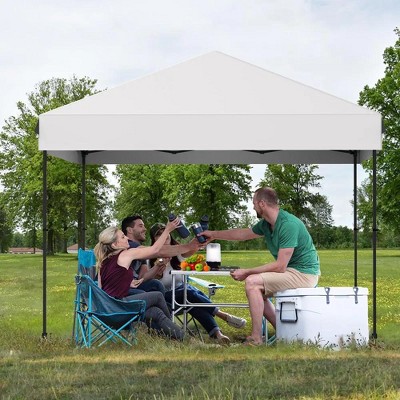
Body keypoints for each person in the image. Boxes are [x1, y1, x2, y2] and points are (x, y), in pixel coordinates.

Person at [201, 187, 321, 346]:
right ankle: (284, 332)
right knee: (257, 289)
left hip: (304, 274)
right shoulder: (266, 224)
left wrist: (247, 272)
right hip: (290, 271)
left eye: (254, 203)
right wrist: (213, 234)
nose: (253, 207)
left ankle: (256, 338)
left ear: (262, 204)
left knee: (252, 282)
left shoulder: (288, 224)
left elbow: (280, 266)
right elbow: (242, 234)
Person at [149, 222, 247, 344]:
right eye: (159, 234)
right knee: (188, 292)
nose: (164, 236)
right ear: (154, 239)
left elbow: (192, 248)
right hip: (164, 298)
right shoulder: (150, 256)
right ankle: (222, 315)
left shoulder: (177, 254)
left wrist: (199, 239)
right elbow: (148, 281)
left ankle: (218, 335)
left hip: (182, 297)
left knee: (192, 301)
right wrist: (156, 272)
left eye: (166, 232)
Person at [94, 219, 185, 341]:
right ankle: (181, 336)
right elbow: (155, 250)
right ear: (114, 245)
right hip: (119, 308)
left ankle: (172, 336)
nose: (127, 238)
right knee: (158, 296)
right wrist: (167, 230)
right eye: (123, 237)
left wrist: (127, 283)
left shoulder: (104, 262)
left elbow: (103, 289)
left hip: (107, 311)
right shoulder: (126, 254)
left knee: (155, 312)